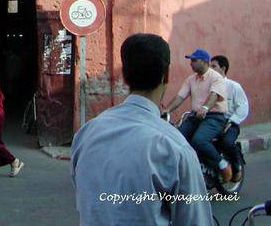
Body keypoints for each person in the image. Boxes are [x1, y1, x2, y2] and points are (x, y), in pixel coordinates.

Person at [72, 34, 212, 226]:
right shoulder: (175, 147)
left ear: (124, 75)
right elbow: (196, 220)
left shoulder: (86, 134)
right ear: (166, 75)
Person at [163, 48, 231, 182]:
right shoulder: (191, 79)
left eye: (194, 60)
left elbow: (214, 95)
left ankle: (223, 164)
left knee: (199, 140)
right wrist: (167, 110)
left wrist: (205, 107)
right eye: (190, 60)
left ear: (205, 61)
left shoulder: (216, 78)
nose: (191, 63)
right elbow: (180, 96)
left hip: (214, 117)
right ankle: (192, 167)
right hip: (195, 116)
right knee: (178, 138)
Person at [210, 54, 249, 183]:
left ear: (223, 68)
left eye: (214, 66)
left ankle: (236, 166)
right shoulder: (209, 86)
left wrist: (232, 121)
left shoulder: (234, 86)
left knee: (226, 142)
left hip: (230, 123)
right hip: (213, 122)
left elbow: (243, 107)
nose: (210, 69)